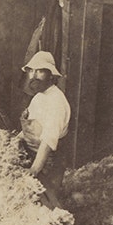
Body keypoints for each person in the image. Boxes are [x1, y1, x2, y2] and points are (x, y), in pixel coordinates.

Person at [18, 51, 71, 192]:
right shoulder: (39, 97)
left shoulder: (56, 101)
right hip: (32, 154)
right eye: (31, 71)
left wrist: (34, 170)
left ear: (51, 75)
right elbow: (30, 127)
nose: (33, 76)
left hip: (48, 162)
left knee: (46, 195)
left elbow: (48, 141)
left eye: (40, 71)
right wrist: (13, 141)